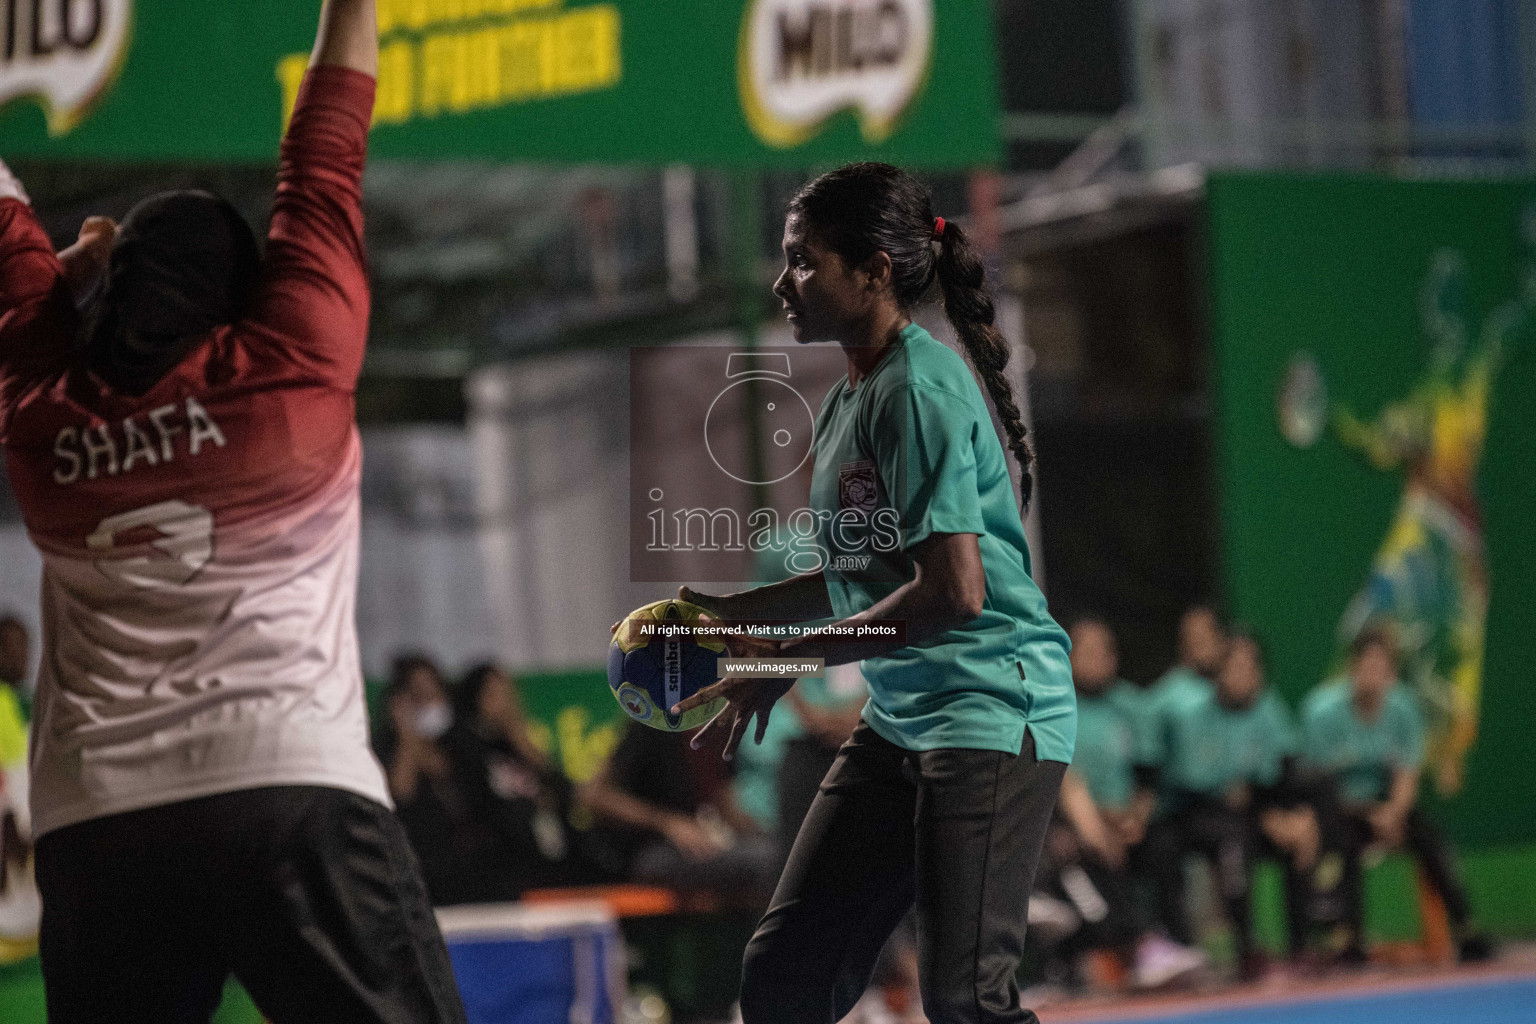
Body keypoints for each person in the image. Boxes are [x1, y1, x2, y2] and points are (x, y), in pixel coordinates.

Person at [0, 2, 466, 1020]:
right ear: (241, 289)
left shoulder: (39, 406)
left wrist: (63, 287)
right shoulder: (290, 359)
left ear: (105, 301)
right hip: (287, 786)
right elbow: (325, 145)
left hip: (96, 821)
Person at [673, 163, 1075, 1024]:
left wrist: (787, 658)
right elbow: (862, 570)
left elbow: (954, 594)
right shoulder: (848, 398)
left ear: (874, 271)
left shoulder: (919, 389)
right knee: (785, 977)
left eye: (803, 261)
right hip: (903, 719)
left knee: (967, 998)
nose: (784, 282)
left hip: (993, 708)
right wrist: (729, 618)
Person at [1301, 624, 1492, 962]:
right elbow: (1321, 788)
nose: (1374, 674)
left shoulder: (1403, 708)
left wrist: (1393, 812)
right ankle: (1349, 940)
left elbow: (1407, 773)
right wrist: (1368, 813)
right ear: (1352, 667)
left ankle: (1466, 928)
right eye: (1367, 665)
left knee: (1431, 838)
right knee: (1341, 844)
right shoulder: (1321, 712)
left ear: (1391, 672)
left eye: (1382, 667)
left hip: (1390, 808)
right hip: (1342, 810)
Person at [1142, 630, 1323, 979]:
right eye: (1233, 666)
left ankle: (1302, 946)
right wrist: (1263, 811)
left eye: (1249, 667)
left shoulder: (1270, 709)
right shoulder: (1194, 716)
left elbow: (1283, 773)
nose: (1242, 675)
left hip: (1256, 815)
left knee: (1306, 831)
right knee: (1232, 842)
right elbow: (1202, 789)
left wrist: (1293, 817)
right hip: (1198, 816)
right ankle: (1244, 947)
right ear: (1218, 672)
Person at [1043, 618, 1204, 991]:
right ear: (1068, 658)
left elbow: (1148, 774)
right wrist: (1096, 829)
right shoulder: (1055, 708)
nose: (1098, 660)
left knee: (1164, 845)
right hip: (1075, 825)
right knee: (1078, 857)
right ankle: (1135, 948)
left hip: (1129, 820)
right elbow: (1067, 786)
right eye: (1087, 653)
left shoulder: (1133, 706)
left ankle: (1175, 943)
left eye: (1105, 652)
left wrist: (1135, 819)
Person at [579, 720, 781, 908]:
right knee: (764, 861)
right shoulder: (653, 725)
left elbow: (726, 806)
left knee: (781, 856)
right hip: (645, 851)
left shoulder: (722, 731)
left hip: (702, 847)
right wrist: (668, 823)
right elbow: (594, 796)